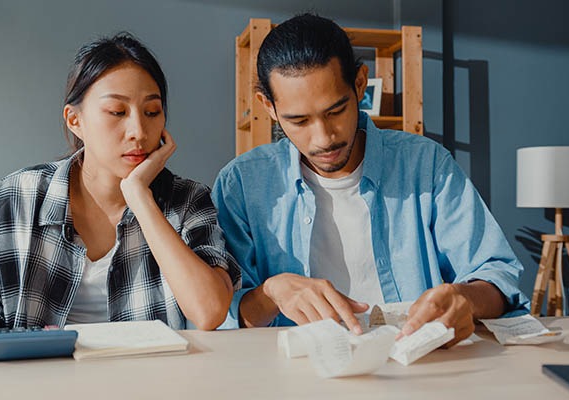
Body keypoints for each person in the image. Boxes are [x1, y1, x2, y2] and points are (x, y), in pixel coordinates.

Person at [212, 14, 528, 345]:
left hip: (420, 371)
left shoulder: (426, 165)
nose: (323, 139)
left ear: (360, 84)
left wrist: (466, 299)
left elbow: (497, 276)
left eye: (335, 111)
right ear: (269, 106)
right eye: (299, 121)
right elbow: (222, 316)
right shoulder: (242, 184)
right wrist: (272, 293)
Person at [0, 33, 240, 341]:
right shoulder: (14, 199)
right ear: (75, 120)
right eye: (117, 112)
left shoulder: (188, 200)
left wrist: (140, 197)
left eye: (152, 112)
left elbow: (209, 311)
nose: (138, 131)